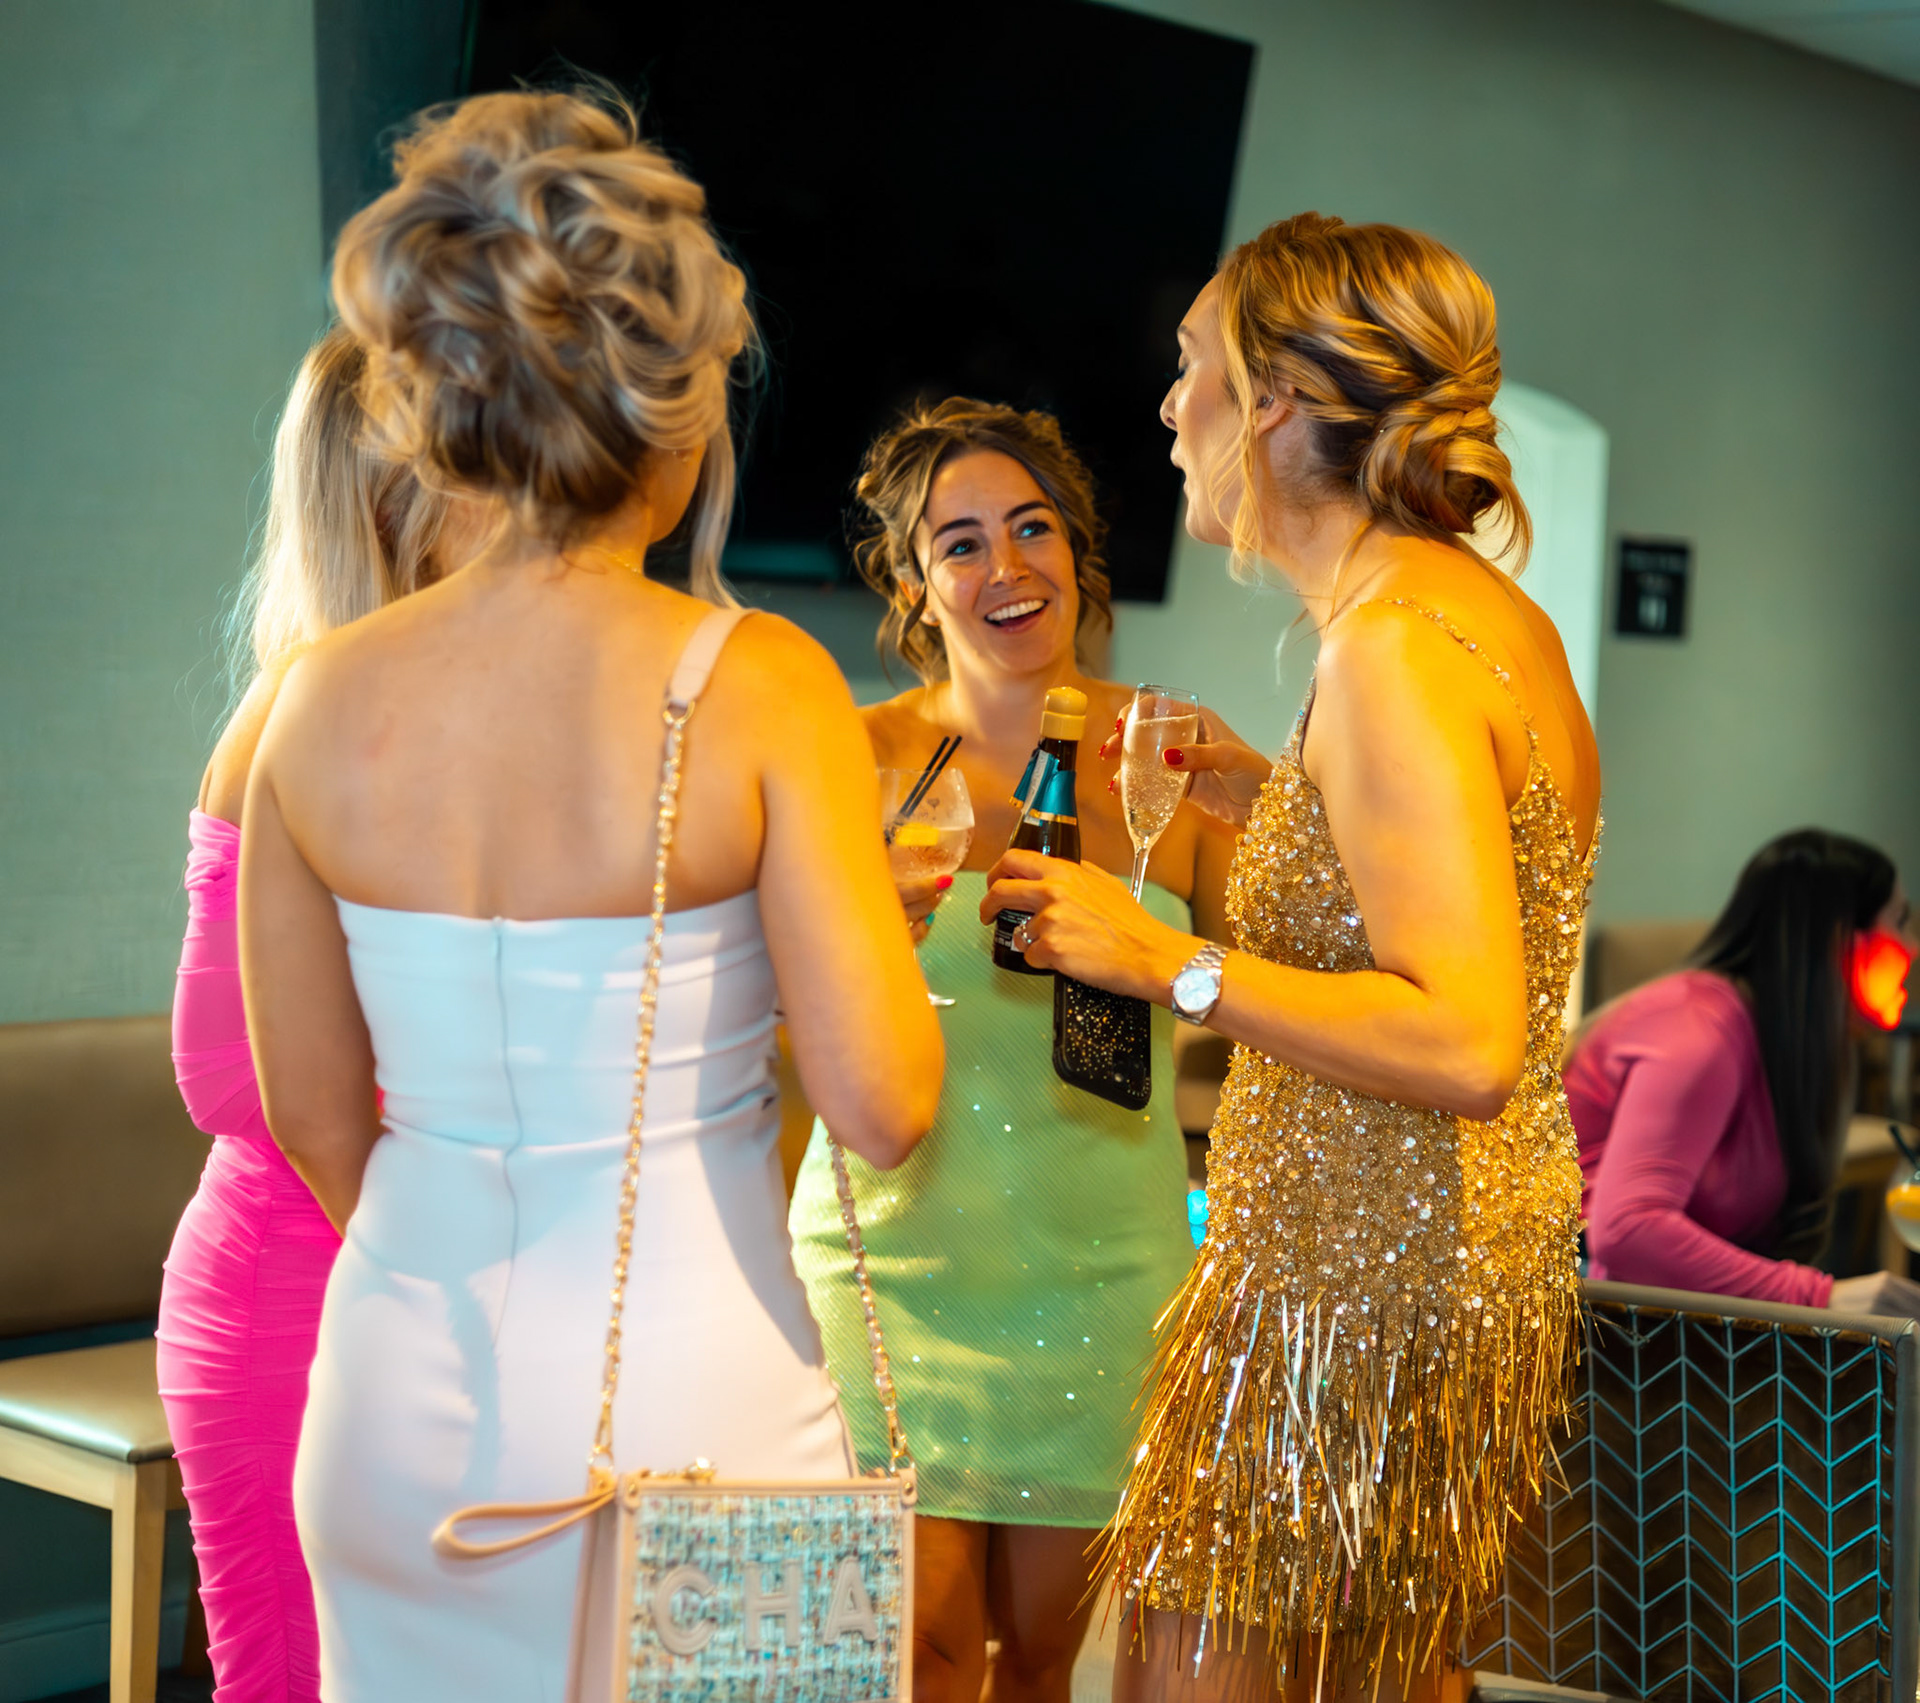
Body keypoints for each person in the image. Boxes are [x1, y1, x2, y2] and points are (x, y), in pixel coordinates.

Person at [240, 90, 943, 1702]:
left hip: (395, 1402)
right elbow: (884, 1102)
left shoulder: (315, 700)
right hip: (695, 1412)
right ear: (673, 406)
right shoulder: (761, 680)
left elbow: (314, 1116)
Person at [979, 213, 1602, 1700]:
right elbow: (1466, 881)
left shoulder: (1389, 649)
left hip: (1350, 1283)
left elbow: (1466, 1036)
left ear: (1272, 400)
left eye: (1189, 365)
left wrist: (1167, 960)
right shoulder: (1474, 614)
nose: (1167, 408)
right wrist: (1278, 798)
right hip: (1438, 1260)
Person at [787, 398, 1232, 1702]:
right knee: (914, 1654)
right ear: (914, 585)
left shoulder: (1173, 756)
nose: (1006, 567)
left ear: (1080, 553)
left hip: (1103, 1273)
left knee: (1042, 1658)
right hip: (887, 1267)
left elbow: (1267, 990)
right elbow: (776, 1015)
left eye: (1032, 528)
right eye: (961, 542)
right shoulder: (855, 757)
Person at [157, 324, 448, 1703]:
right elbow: (220, 1071)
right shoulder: (291, 713)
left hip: (414, 1288)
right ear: (391, 495)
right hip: (288, 1292)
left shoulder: (457, 717)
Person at [1568, 829, 1920, 1313]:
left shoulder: (1788, 1044)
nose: (1913, 947)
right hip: (1580, 1319)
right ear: (1838, 937)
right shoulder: (1698, 1029)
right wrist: (1819, 1297)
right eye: (1900, 921)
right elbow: (1626, 1231)